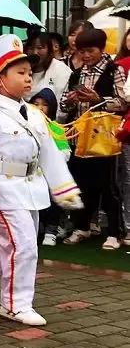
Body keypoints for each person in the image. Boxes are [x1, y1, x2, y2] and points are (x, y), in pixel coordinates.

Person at [0, 35, 82, 326]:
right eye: (20, 73)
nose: (28, 79)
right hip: (2, 189)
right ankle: (14, 304)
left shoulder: (36, 115)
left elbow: (49, 153)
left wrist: (64, 189)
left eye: (29, 73)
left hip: (31, 188)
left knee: (12, 244)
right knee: (23, 246)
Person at [60, 27, 127, 249]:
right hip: (79, 137)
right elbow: (62, 106)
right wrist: (70, 101)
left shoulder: (113, 69)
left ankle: (115, 232)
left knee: (109, 185)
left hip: (104, 138)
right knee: (82, 184)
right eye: (82, 52)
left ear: (101, 49)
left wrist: (98, 98)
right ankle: (82, 227)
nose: (86, 56)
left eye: (90, 51)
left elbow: (123, 102)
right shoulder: (77, 74)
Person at [29, 88, 71, 247]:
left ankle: (51, 231)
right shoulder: (25, 125)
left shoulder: (56, 127)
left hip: (50, 175)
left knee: (54, 202)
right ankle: (37, 228)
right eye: (35, 103)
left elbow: (65, 152)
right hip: (31, 174)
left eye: (44, 105)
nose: (39, 108)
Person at [26, 32, 72, 109]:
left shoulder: (61, 70)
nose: (35, 52)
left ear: (49, 49)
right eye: (31, 48)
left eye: (40, 48)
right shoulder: (23, 68)